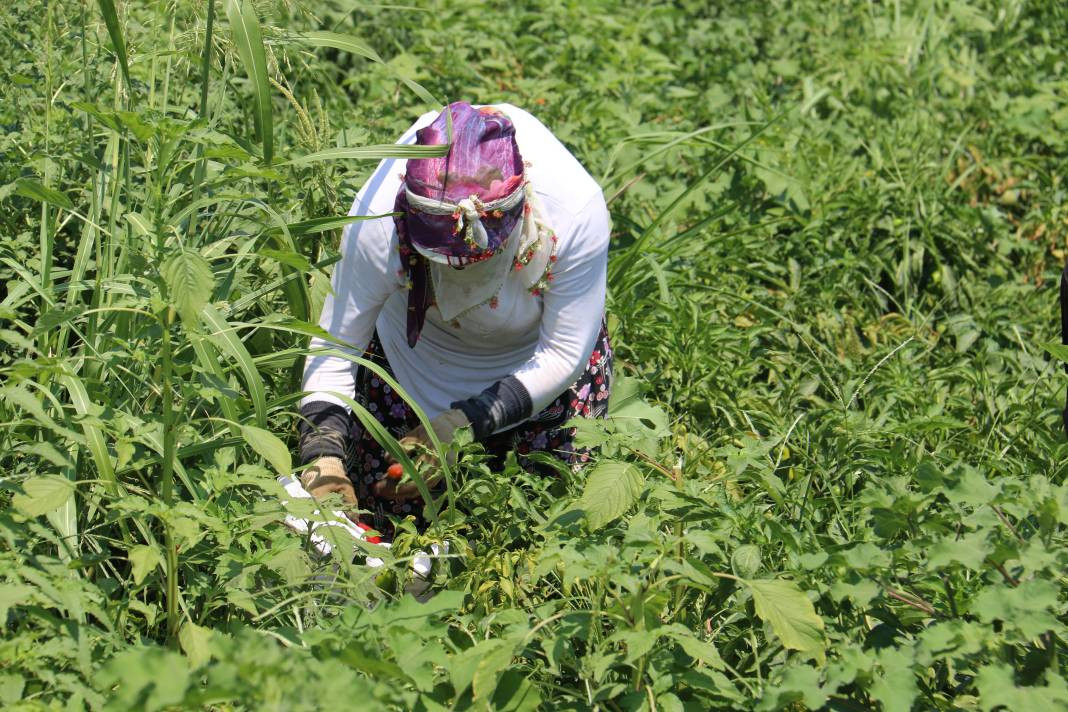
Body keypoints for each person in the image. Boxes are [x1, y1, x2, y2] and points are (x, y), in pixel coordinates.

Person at [296, 102, 612, 537]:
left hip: (537, 376)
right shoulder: (378, 219)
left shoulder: (571, 212)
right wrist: (323, 461)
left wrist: (458, 426)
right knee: (388, 538)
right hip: (410, 367)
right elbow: (334, 348)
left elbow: (561, 353)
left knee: (538, 538)